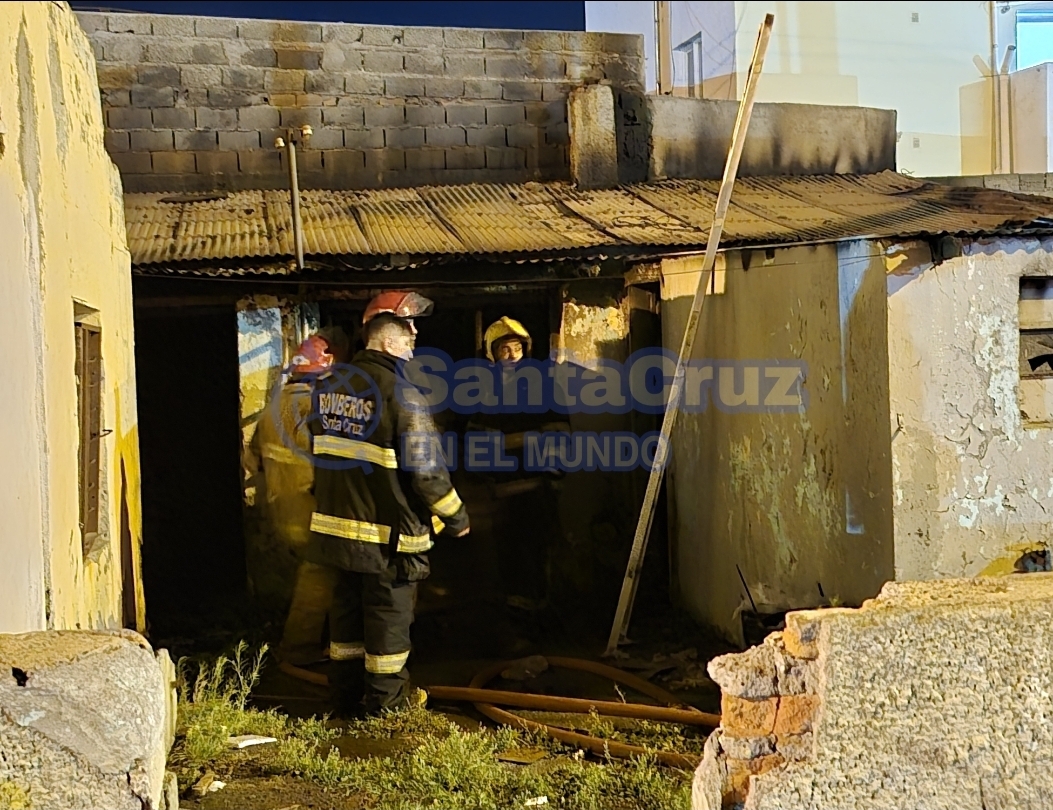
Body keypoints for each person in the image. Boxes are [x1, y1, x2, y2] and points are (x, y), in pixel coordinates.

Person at [306, 291, 470, 716]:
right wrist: (456, 517)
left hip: (337, 534)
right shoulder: (403, 394)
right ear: (382, 335)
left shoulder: (327, 389)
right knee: (388, 623)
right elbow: (426, 472)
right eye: (406, 327)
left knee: (346, 623)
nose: (414, 334)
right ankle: (387, 708)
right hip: (387, 538)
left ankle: (343, 701)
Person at [252, 332, 345, 667]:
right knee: (319, 575)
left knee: (306, 574)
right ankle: (298, 648)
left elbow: (253, 459)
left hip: (280, 510)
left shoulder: (272, 409)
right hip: (310, 510)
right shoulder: (313, 407)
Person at [468, 317, 570, 617]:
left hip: (537, 489)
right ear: (492, 354)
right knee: (506, 556)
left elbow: (561, 434)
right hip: (499, 494)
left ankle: (538, 617)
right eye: (504, 349)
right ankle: (513, 618)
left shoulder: (544, 387)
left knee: (537, 552)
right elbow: (475, 442)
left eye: (517, 348)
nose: (512, 355)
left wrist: (554, 478)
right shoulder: (482, 392)